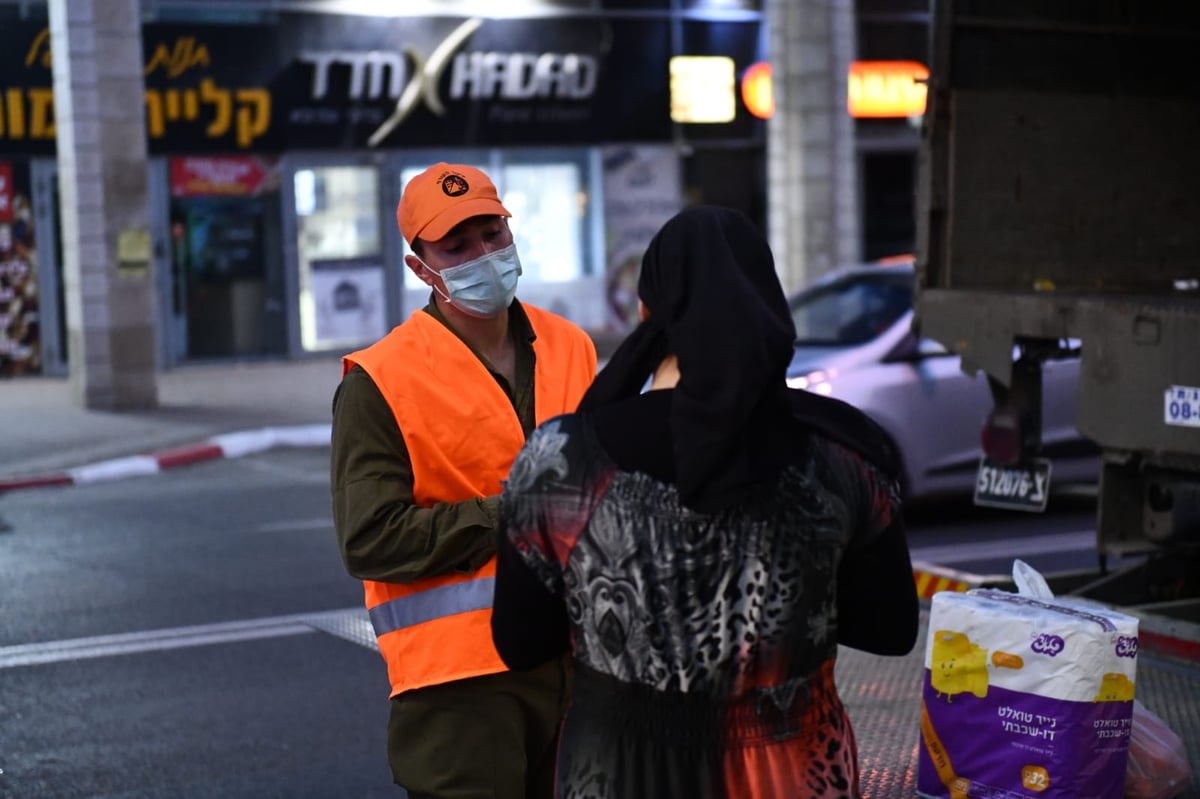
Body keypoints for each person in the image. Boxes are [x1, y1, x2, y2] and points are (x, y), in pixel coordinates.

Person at [490, 205, 918, 798]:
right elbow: (890, 629)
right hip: (793, 770)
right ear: (769, 305)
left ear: (647, 314)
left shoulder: (562, 460)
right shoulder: (848, 453)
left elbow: (519, 643)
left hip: (617, 769)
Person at [331, 162, 598, 798]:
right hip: (460, 686)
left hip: (578, 660)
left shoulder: (572, 346)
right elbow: (370, 539)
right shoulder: (379, 380)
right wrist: (516, 512)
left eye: (492, 234)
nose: (484, 254)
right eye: (457, 245)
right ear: (421, 268)